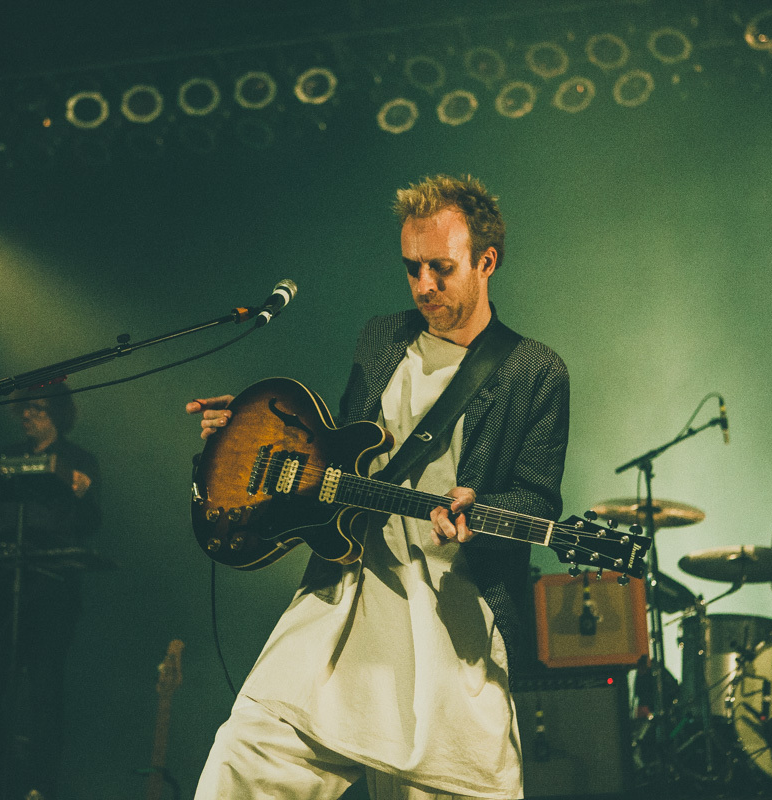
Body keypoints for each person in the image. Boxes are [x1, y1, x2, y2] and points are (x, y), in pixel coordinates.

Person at [187, 174, 570, 800]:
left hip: (453, 610)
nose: (424, 285)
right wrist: (250, 433)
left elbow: (537, 499)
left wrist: (485, 507)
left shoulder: (535, 370)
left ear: (487, 261)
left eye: (441, 268)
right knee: (243, 759)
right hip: (347, 592)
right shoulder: (382, 338)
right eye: (411, 268)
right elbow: (336, 452)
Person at [0, 383, 102, 800]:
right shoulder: (7, 459)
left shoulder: (79, 460)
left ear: (55, 413)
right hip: (3, 582)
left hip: (53, 586)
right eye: (23, 410)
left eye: (35, 409)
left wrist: (83, 494)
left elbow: (90, 525)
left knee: (45, 685)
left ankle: (41, 785)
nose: (26, 416)